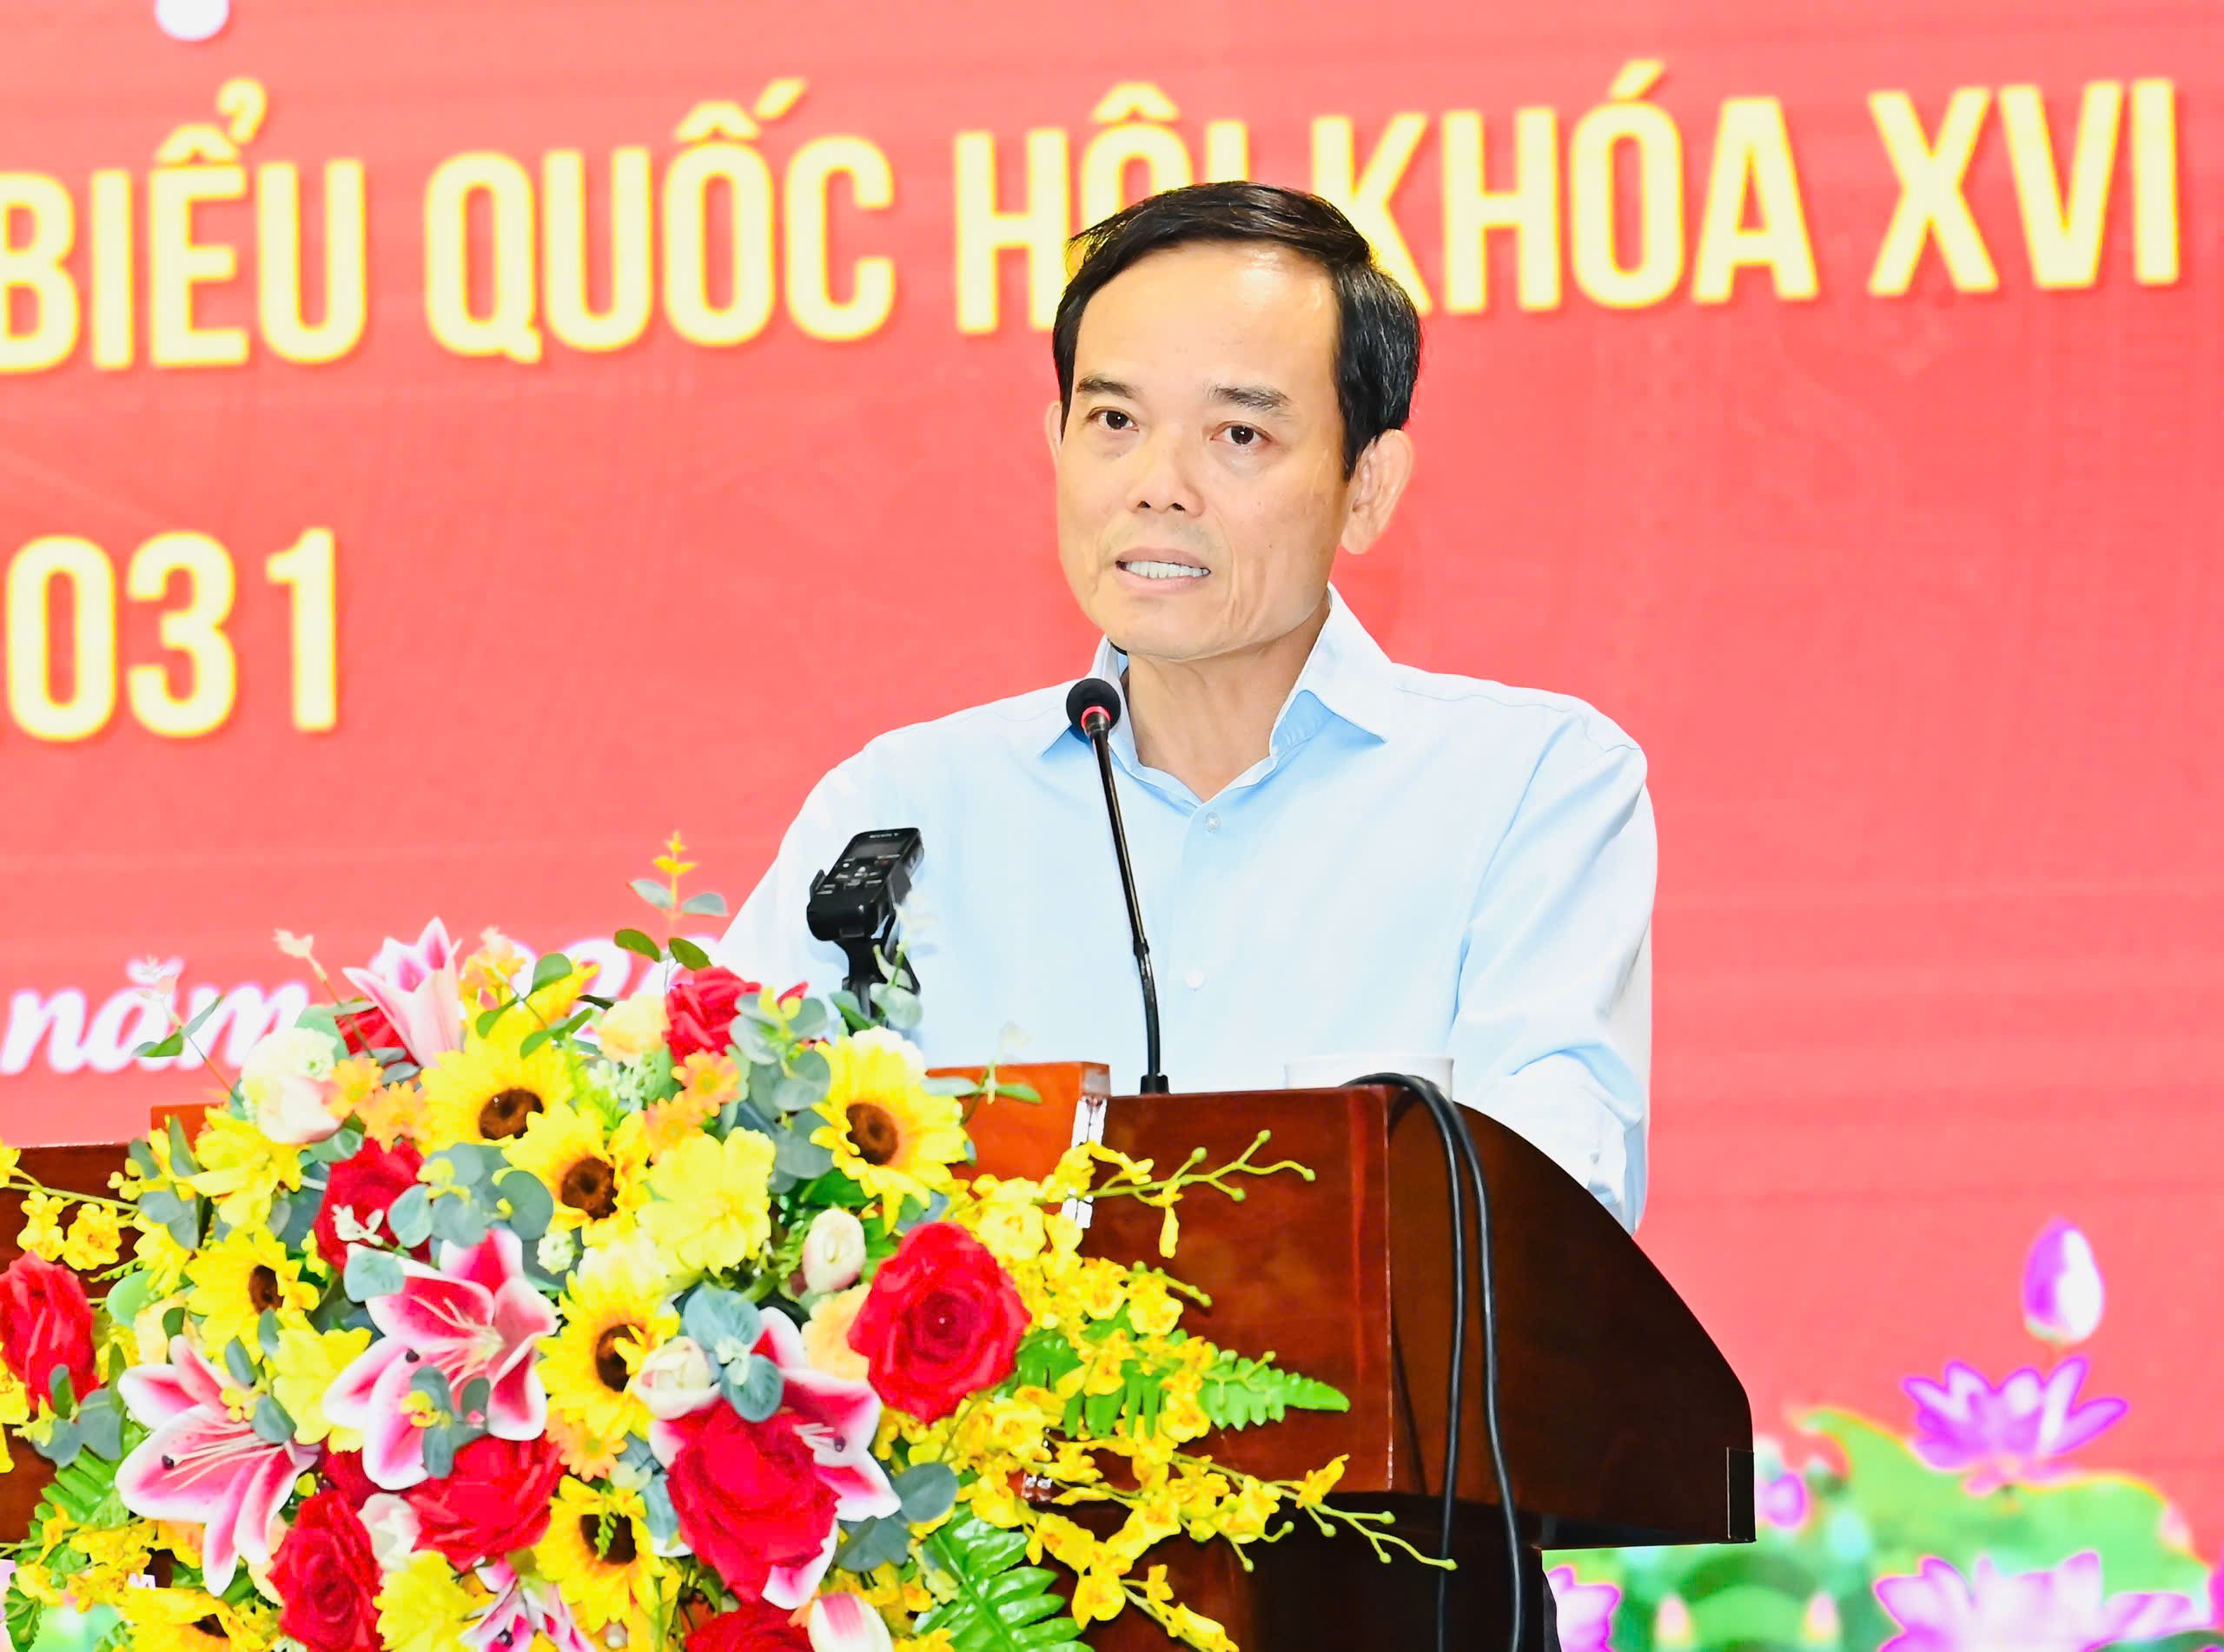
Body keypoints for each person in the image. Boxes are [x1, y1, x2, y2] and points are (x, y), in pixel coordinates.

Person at [718, 180, 1654, 1235]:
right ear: (1057, 445)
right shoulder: (900, 806)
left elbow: (1550, 1215)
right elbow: (711, 1175)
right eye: (1114, 421)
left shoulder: (1528, 790)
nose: (1157, 484)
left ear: (1368, 486)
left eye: (1238, 434)